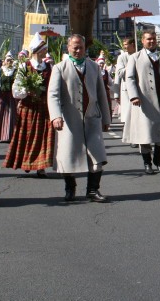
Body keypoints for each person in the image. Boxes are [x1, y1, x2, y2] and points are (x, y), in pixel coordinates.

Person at [47, 34, 111, 202]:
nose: (77, 50)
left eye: (80, 47)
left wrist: (106, 119)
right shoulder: (59, 68)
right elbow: (53, 95)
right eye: (74, 47)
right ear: (68, 48)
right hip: (69, 119)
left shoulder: (94, 67)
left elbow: (101, 94)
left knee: (97, 155)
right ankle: (70, 187)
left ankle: (92, 190)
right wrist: (55, 116)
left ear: (85, 48)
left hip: (92, 117)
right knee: (66, 155)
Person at [122, 30, 160, 175]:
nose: (152, 41)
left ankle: (158, 160)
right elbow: (130, 78)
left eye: (154, 39)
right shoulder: (135, 57)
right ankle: (147, 162)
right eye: (148, 39)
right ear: (142, 41)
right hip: (144, 102)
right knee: (145, 133)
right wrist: (134, 96)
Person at [3, 33, 55, 178]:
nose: (45, 52)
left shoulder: (48, 67)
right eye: (43, 49)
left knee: (43, 137)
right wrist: (27, 91)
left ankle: (41, 166)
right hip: (29, 106)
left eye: (45, 49)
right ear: (37, 51)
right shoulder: (24, 67)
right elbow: (16, 89)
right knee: (28, 136)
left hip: (44, 106)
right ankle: (27, 161)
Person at [113, 38, 136, 147]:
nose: (125, 46)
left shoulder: (139, 54)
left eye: (127, 44)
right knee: (128, 115)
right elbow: (118, 74)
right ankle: (131, 138)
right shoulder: (122, 57)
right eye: (124, 44)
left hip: (139, 88)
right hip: (126, 89)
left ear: (133, 44)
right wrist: (116, 93)